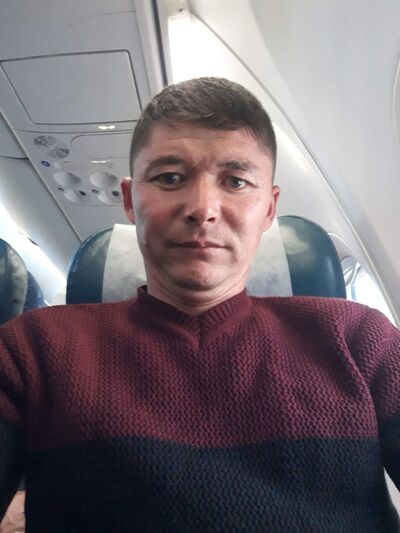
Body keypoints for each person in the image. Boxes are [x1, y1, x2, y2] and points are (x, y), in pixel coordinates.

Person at [0, 77, 399, 532]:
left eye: (236, 181)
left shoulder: (359, 339)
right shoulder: (32, 350)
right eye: (170, 178)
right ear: (130, 201)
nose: (202, 208)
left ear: (269, 210)